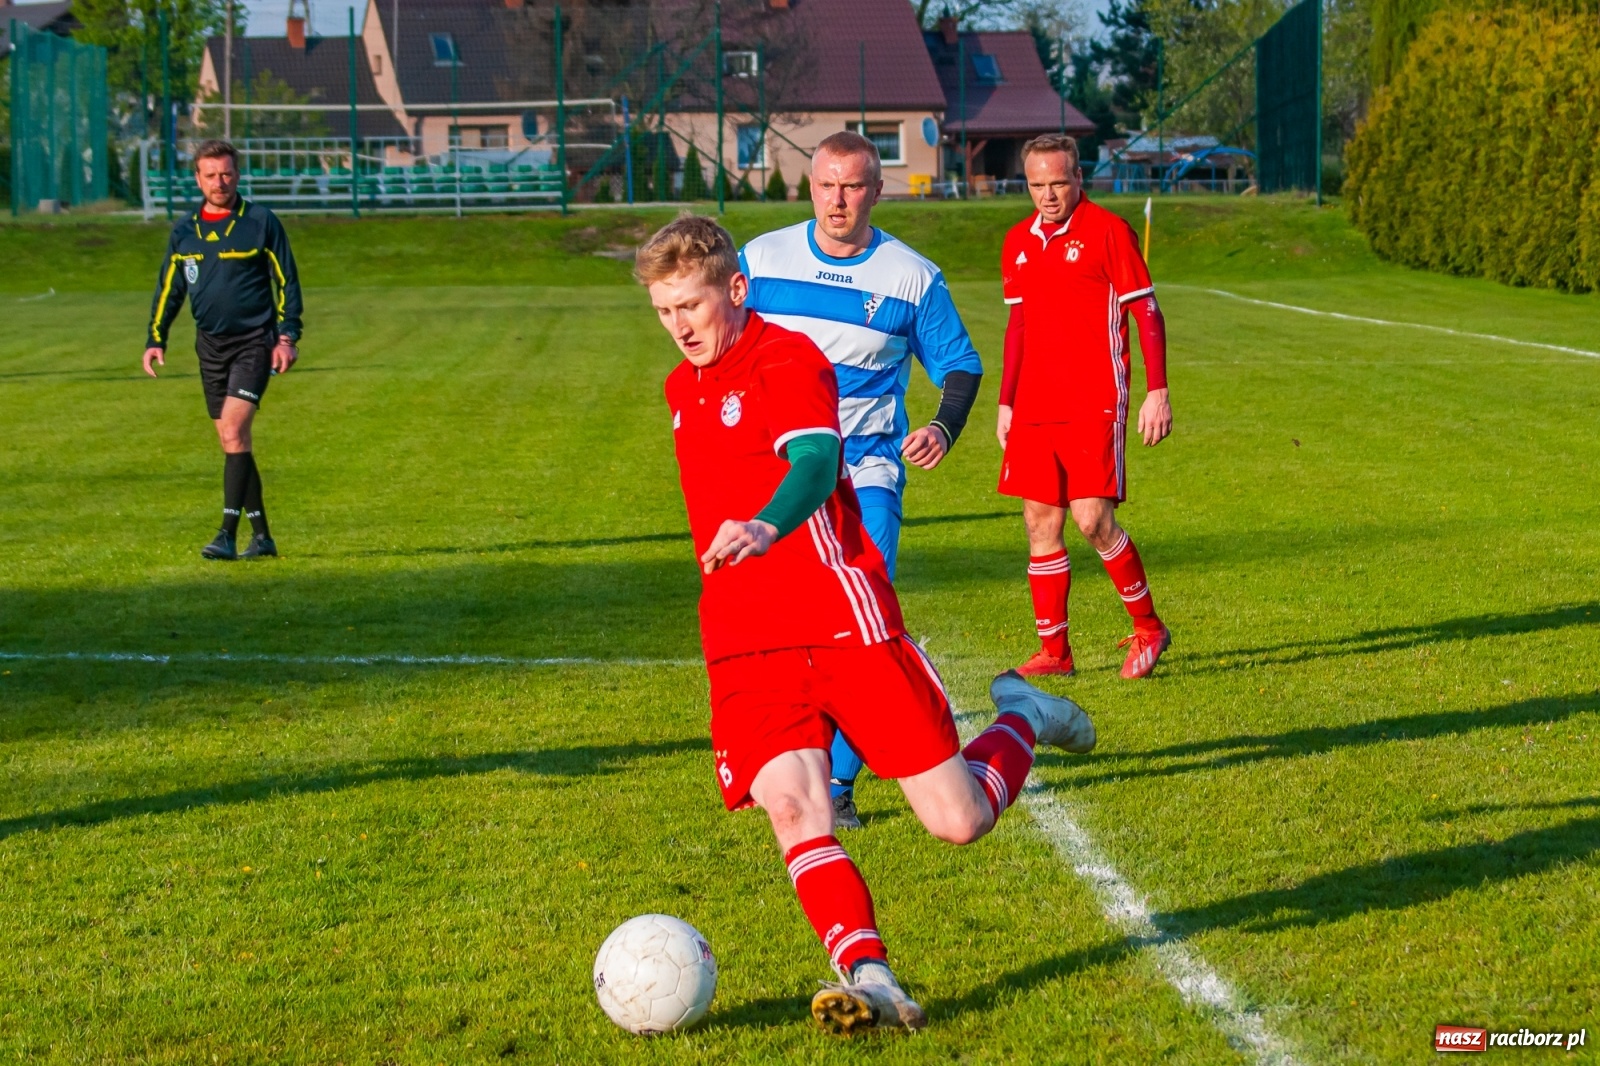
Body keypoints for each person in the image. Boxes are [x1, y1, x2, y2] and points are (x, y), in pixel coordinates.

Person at [637, 215, 1096, 1033]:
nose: (680, 328)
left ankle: (1024, 716)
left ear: (734, 291)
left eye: (692, 308)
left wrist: (767, 525)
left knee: (957, 821)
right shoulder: (682, 389)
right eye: (665, 311)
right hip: (745, 641)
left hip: (838, 621)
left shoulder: (789, 360)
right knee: (793, 812)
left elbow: (815, 463)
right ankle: (872, 977)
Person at [739, 131, 984, 828]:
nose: (837, 200)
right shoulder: (763, 259)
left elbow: (960, 364)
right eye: (825, 185)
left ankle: (840, 783)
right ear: (808, 186)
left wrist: (941, 426)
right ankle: (788, 765)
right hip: (778, 476)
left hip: (865, 473)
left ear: (877, 191)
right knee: (781, 631)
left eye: (852, 187)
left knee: (864, 628)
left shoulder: (911, 277)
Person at [996, 134, 1173, 679]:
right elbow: (1018, 325)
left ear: (1079, 178)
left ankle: (1149, 628)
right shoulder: (1018, 241)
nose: (1047, 195)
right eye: (1036, 184)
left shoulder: (1108, 231)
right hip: (1033, 404)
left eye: (1058, 182)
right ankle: (1055, 652)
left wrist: (1158, 390)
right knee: (1038, 521)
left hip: (1095, 397)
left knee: (1092, 518)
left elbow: (1146, 312)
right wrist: (1006, 402)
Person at [143, 139, 303, 561]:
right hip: (209, 348)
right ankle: (263, 538)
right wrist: (155, 338)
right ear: (197, 178)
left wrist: (286, 338)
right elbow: (169, 290)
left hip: (255, 342)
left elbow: (287, 280)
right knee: (234, 442)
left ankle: (225, 535)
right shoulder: (184, 232)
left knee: (233, 431)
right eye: (211, 175)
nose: (220, 182)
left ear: (238, 174)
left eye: (227, 173)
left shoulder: (260, 222)